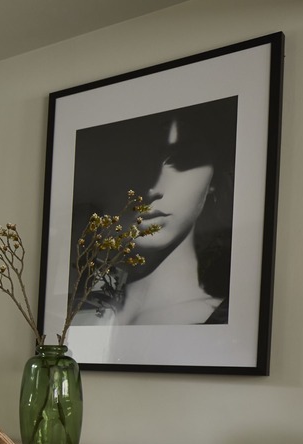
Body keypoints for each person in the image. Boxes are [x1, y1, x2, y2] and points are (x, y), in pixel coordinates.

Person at [70, 98, 236, 326]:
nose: (153, 187)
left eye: (180, 160)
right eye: (133, 161)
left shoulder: (228, 319)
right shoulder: (77, 318)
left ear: (214, 178)